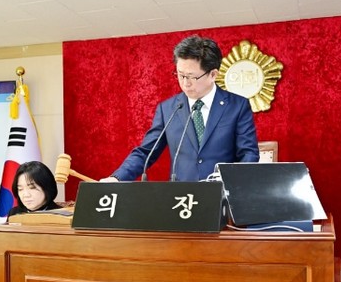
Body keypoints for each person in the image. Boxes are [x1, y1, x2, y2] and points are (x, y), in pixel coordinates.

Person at [101, 34, 260, 182]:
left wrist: (235, 183)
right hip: (180, 198)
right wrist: (117, 178)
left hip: (222, 194)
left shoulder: (237, 106)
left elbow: (248, 153)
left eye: (191, 77)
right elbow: (146, 152)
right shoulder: (168, 109)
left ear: (213, 75)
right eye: (180, 75)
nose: (185, 83)